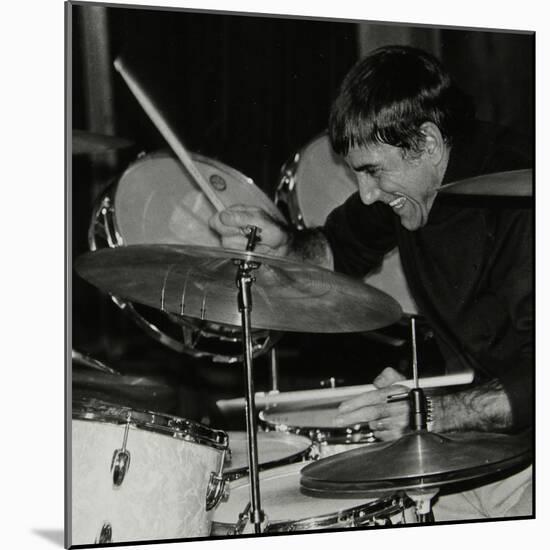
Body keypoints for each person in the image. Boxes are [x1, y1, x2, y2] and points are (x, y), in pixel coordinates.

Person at [209, 45, 533, 520]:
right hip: (481, 448)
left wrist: (432, 414)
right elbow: (338, 248)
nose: (366, 193)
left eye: (372, 172)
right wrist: (286, 246)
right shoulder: (411, 181)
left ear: (427, 141)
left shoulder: (524, 198)